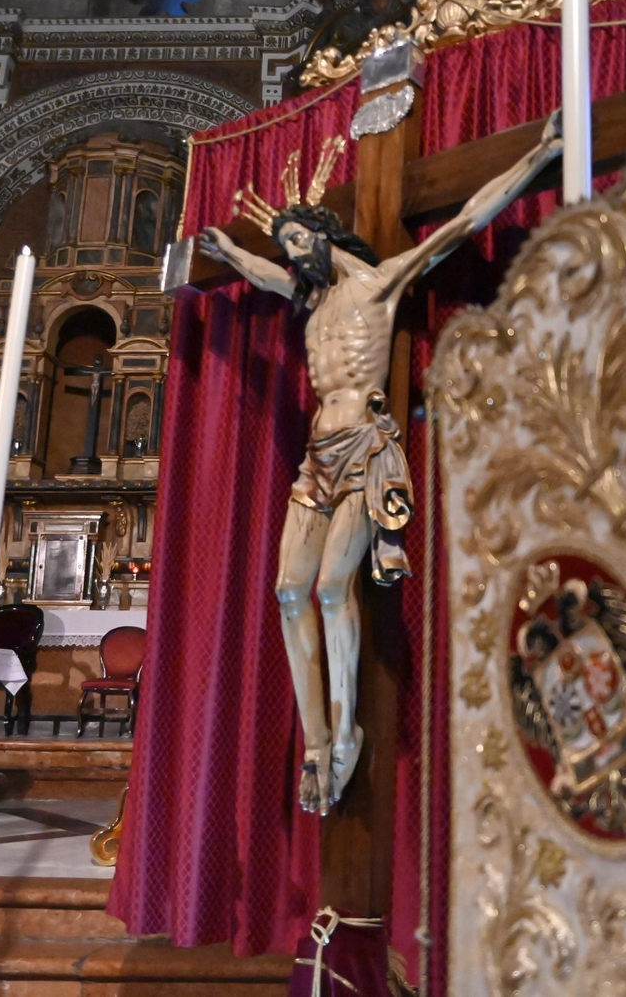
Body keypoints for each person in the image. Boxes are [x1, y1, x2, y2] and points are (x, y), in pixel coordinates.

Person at [199, 115, 563, 815]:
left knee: (334, 588)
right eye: (287, 246)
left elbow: (462, 221)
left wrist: (535, 156)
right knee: (286, 590)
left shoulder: (381, 284)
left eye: (300, 239)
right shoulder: (309, 299)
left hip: (365, 446)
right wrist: (226, 251)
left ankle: (346, 737)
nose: (294, 254)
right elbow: (263, 273)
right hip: (316, 456)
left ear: (325, 234)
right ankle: (316, 738)